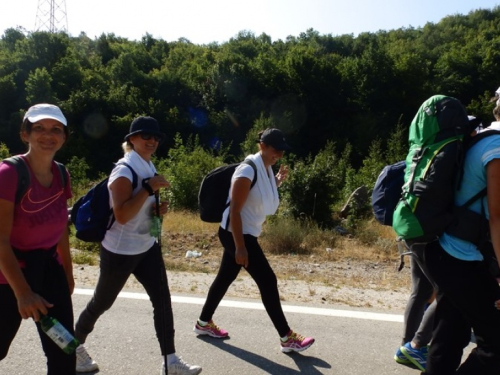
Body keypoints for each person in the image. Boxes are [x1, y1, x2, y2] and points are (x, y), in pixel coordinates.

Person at [74, 117, 201, 375]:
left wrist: (157, 212)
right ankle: (72, 348)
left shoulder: (148, 165)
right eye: (146, 136)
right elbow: (121, 215)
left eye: (156, 138)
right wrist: (147, 189)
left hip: (146, 246)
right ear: (131, 139)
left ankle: (170, 361)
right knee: (101, 303)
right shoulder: (124, 171)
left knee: (162, 301)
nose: (152, 141)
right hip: (120, 251)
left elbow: (144, 208)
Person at [193, 128, 315, 353]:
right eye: (275, 149)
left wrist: (276, 182)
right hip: (237, 234)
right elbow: (235, 212)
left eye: (281, 150)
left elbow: (258, 194)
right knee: (268, 281)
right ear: (262, 146)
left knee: (224, 279)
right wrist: (239, 247)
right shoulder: (246, 171)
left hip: (243, 233)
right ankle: (287, 338)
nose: (278, 154)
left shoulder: (265, 168)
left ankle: (203, 323)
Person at [418, 104, 500, 374]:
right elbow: (497, 218)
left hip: (447, 251)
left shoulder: (480, 135)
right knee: (496, 347)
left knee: (450, 335)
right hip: (462, 259)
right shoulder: (496, 149)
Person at [0, 103, 75, 374]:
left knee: (64, 351)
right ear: (25, 134)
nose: (48, 134)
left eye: (56, 129)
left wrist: (67, 272)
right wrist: (22, 293)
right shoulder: (8, 174)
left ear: (64, 137)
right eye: (39, 128)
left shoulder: (62, 174)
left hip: (48, 271)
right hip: (7, 279)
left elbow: (60, 228)